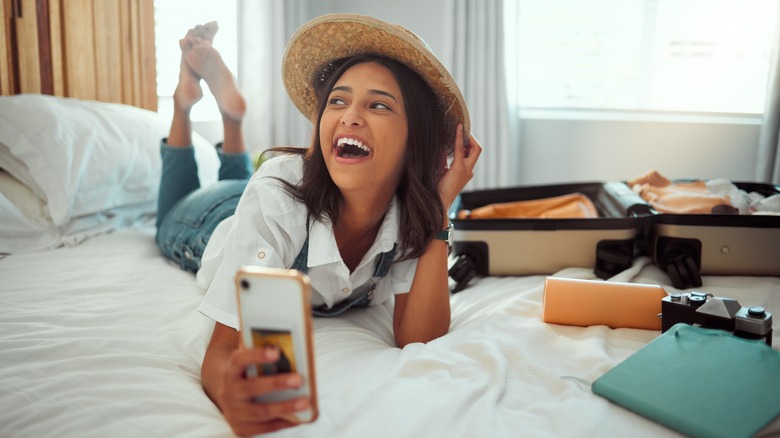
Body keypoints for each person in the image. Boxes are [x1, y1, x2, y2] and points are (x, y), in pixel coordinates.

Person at [155, 14, 482, 436]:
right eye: (338, 101)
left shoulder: (409, 215)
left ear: (413, 142)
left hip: (259, 199)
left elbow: (418, 335)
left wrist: (440, 209)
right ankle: (185, 108)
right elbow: (222, 352)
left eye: (379, 105)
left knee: (243, 183)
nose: (350, 116)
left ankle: (232, 121)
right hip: (209, 221)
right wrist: (232, 392)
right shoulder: (277, 191)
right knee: (167, 216)